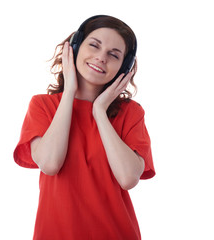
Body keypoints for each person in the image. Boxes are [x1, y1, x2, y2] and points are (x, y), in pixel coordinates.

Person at [13, 15, 155, 240]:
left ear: (123, 68)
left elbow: (128, 178)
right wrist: (69, 91)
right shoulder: (43, 106)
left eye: (114, 55)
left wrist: (99, 111)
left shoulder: (131, 113)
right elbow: (50, 164)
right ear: (75, 47)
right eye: (94, 45)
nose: (101, 58)